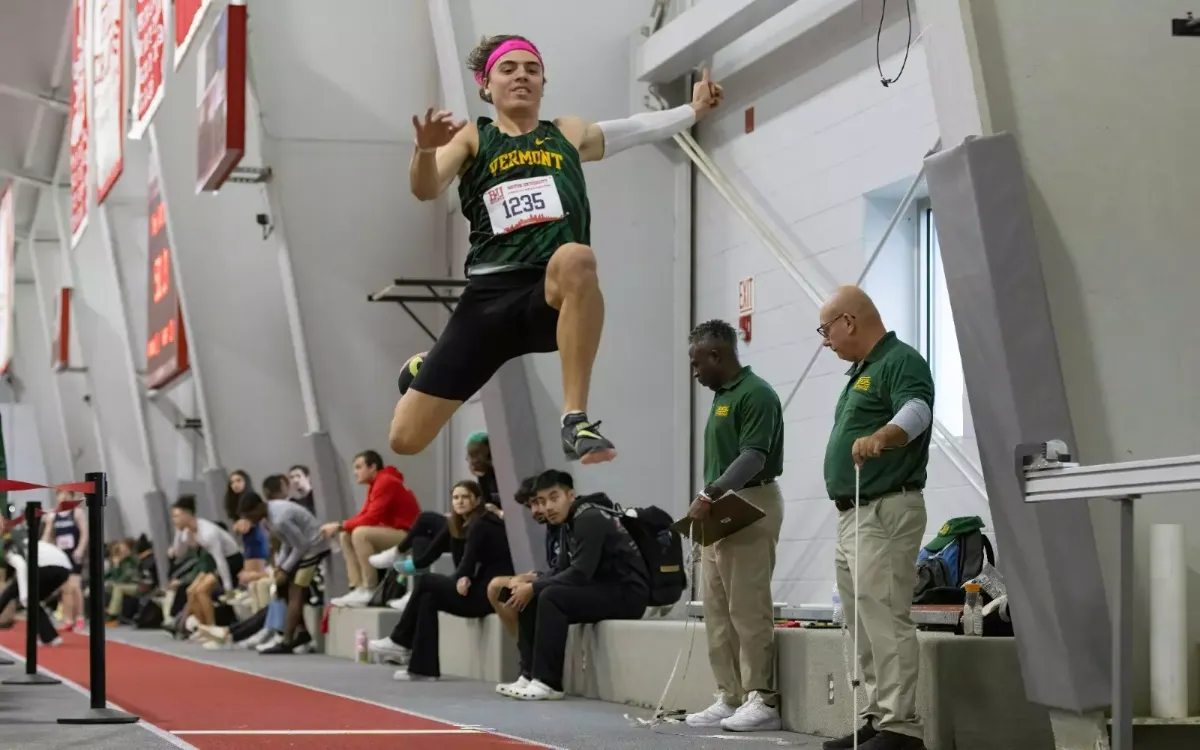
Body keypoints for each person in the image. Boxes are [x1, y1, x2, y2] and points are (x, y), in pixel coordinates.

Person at [388, 34, 725, 467]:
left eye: (531, 69)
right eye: (508, 69)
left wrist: (694, 110)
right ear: (486, 86)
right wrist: (425, 149)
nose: (521, 76)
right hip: (488, 301)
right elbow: (427, 187)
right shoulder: (475, 138)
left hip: (547, 295)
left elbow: (639, 128)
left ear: (544, 83)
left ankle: (575, 419)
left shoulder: (567, 133)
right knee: (405, 439)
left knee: (576, 257)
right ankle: (429, 362)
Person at [818, 285, 933, 750]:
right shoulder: (862, 371)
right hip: (853, 512)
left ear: (849, 321)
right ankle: (876, 717)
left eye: (826, 329)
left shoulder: (900, 360)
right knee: (861, 619)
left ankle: (901, 728)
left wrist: (883, 435)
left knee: (884, 614)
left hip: (885, 506)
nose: (824, 339)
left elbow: (918, 410)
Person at [683, 319, 786, 732]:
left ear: (716, 354)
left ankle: (762, 698)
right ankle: (731, 695)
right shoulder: (722, 396)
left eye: (696, 363)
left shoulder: (756, 393)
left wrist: (711, 493)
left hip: (748, 501)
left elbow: (753, 456)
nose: (695, 372)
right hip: (722, 508)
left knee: (747, 605)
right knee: (717, 608)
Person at [496, 470, 647, 701]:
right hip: (602, 588)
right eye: (543, 501)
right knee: (532, 594)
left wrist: (536, 587)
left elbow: (580, 572)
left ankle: (548, 683)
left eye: (554, 498)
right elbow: (562, 569)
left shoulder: (589, 518)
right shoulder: (569, 522)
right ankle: (528, 675)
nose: (547, 507)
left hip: (627, 594)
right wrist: (532, 582)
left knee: (550, 596)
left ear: (570, 495)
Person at [370, 480, 514, 680]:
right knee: (429, 598)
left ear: (478, 500)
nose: (460, 501)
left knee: (428, 581)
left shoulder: (482, 523)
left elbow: (468, 560)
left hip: (488, 595)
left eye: (465, 497)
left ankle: (400, 639)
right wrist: (460, 577)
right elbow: (458, 560)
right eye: (456, 497)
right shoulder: (461, 523)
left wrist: (460, 578)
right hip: (475, 586)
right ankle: (423, 669)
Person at [237, 490, 332, 655]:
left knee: (296, 589)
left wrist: (285, 569)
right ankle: (301, 633)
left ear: (259, 507)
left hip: (315, 546)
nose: (250, 520)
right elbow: (287, 543)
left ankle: (287, 641)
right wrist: (280, 568)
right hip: (302, 548)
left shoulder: (280, 518)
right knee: (282, 587)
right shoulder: (267, 519)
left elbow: (301, 544)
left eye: (250, 515)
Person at [322, 450, 421, 607]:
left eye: (359, 467)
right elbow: (364, 515)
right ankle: (358, 586)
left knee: (360, 534)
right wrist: (342, 527)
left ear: (373, 467)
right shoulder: (375, 484)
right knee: (346, 535)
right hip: (396, 532)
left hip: (409, 536)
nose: (355, 472)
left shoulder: (386, 482)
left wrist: (339, 525)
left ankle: (369, 587)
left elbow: (371, 518)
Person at [168, 497, 243, 628]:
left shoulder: (208, 532)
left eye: (176, 516)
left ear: (187, 514)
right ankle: (201, 627)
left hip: (231, 560)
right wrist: (178, 532)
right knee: (191, 591)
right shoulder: (186, 532)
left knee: (202, 591)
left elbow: (221, 560)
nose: (174, 520)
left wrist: (228, 587)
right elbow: (178, 552)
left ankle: (211, 628)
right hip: (215, 561)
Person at [1, 536, 70, 646]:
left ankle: (49, 637)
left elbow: (21, 567)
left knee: (17, 592)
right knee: (33, 601)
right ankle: (49, 636)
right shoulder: (27, 542)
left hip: (48, 567)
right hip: (65, 569)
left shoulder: (11, 550)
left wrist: (24, 596)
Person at [41, 489, 86, 632]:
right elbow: (48, 535)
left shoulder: (77, 513)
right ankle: (67, 618)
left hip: (74, 553)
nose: (63, 498)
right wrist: (42, 547)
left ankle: (79, 616)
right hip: (61, 554)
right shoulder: (54, 515)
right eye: (61, 496)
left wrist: (80, 549)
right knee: (65, 588)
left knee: (75, 586)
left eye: (67, 496)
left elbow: (85, 533)